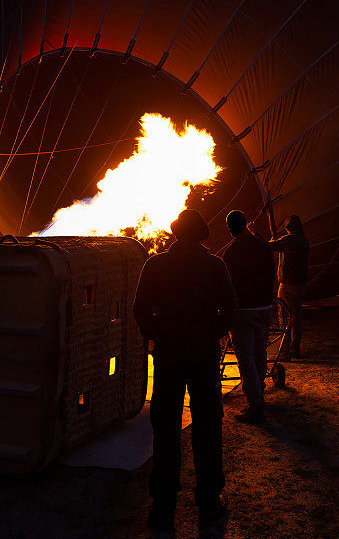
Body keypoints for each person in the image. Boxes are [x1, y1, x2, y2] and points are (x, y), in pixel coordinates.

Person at [133, 209, 236, 537]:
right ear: (200, 235)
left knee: (165, 428)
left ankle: (163, 507)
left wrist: (157, 334)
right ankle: (209, 504)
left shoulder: (156, 264)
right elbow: (229, 309)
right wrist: (211, 334)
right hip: (203, 358)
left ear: (177, 234)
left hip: (168, 356)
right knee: (207, 427)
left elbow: (140, 308)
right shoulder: (215, 265)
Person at [222, 210, 276, 425]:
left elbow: (227, 286)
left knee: (245, 359)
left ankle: (255, 405)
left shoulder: (231, 252)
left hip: (243, 312)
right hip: (264, 308)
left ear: (230, 228)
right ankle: (259, 387)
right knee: (259, 351)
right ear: (246, 224)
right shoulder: (263, 246)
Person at [269, 215, 309, 360]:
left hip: (287, 284)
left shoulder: (288, 241)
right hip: (301, 284)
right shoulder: (304, 241)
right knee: (297, 316)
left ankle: (284, 352)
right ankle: (295, 349)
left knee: (284, 318)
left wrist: (254, 233)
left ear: (287, 228)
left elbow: (267, 246)